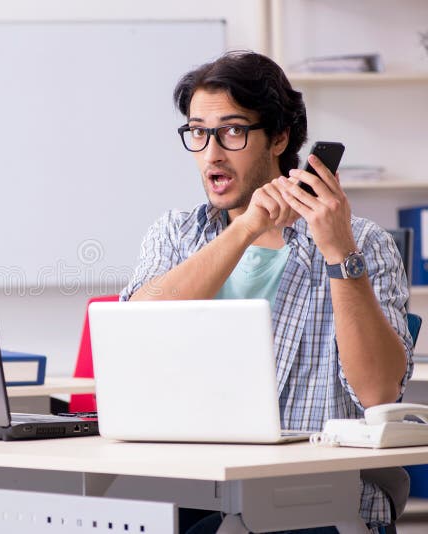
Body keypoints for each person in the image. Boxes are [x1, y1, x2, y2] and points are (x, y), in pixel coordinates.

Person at [119, 51, 413, 531]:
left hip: (312, 498)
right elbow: (136, 333)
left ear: (278, 137)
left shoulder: (362, 243)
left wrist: (341, 254)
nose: (212, 152)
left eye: (232, 131)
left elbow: (378, 393)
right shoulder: (175, 234)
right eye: (198, 132)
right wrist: (246, 228)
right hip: (190, 486)